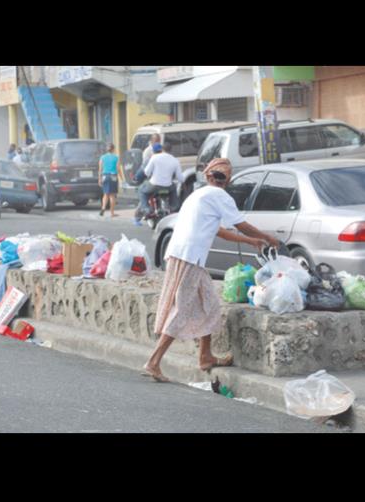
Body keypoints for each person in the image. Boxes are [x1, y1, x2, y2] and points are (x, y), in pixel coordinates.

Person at [142, 158, 281, 382]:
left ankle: (205, 356)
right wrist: (267, 237)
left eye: (222, 176)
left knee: (209, 304)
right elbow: (241, 224)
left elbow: (219, 231)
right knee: (181, 308)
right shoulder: (218, 196)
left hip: (183, 254)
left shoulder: (199, 195)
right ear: (209, 176)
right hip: (189, 257)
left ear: (227, 179)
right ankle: (154, 362)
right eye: (218, 175)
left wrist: (251, 241)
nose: (220, 180)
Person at [134, 142, 181, 226]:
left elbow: (146, 172)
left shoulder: (154, 158)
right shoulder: (175, 160)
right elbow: (180, 177)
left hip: (154, 185)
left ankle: (146, 209)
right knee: (174, 188)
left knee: (141, 191)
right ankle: (174, 208)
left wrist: (138, 178)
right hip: (168, 187)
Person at [98, 143, 123, 217]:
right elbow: (118, 168)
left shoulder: (102, 157)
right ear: (113, 149)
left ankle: (103, 208)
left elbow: (100, 169)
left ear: (107, 149)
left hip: (105, 176)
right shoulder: (116, 157)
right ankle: (112, 213)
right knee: (112, 195)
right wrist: (121, 178)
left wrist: (99, 178)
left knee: (105, 194)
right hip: (113, 176)